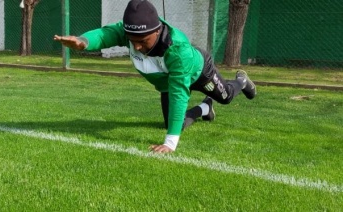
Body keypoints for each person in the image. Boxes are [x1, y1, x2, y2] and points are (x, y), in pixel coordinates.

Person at [54, 0, 256, 153]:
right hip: (168, 82)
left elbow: (179, 94)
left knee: (227, 97)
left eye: (143, 40)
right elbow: (105, 35)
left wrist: (170, 143)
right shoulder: (129, 34)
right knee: (171, 124)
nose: (138, 46)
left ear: (157, 31)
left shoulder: (178, 51)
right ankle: (205, 108)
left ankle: (242, 81)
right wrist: (83, 41)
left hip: (199, 72)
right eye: (133, 41)